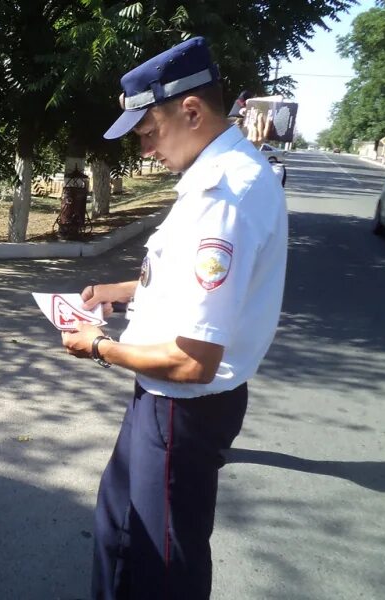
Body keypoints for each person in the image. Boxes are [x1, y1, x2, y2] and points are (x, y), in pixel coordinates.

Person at [61, 36, 288, 599]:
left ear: (190, 111)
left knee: (160, 563)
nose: (144, 150)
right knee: (120, 528)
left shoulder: (223, 196)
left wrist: (98, 347)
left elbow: (193, 361)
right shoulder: (218, 176)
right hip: (165, 402)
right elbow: (186, 283)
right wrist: (119, 292)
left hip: (180, 407)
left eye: (148, 132)